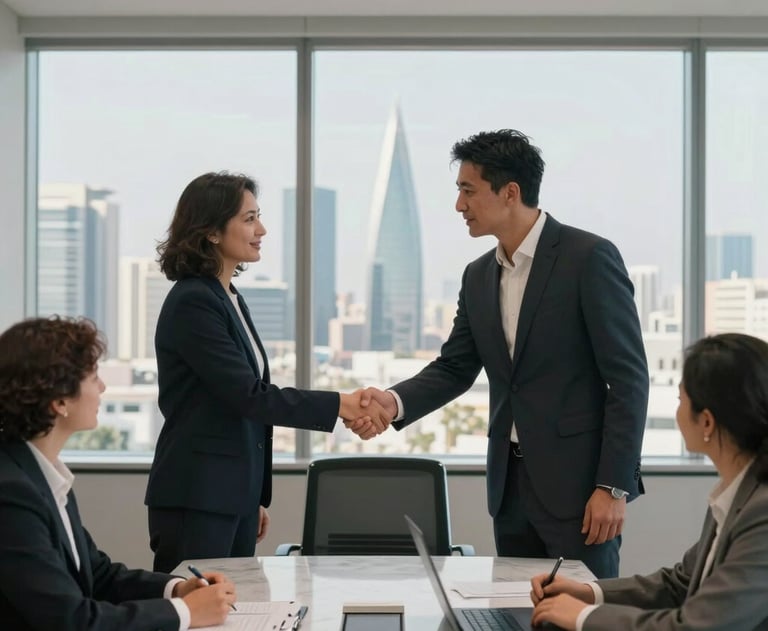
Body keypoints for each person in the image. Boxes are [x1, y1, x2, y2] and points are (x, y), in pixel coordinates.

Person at [354, 129, 648, 578]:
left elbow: (628, 380)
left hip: (580, 492)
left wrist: (613, 486)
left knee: (585, 615)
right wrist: (392, 403)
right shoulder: (477, 276)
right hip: (509, 490)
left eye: (467, 191)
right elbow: (455, 367)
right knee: (514, 613)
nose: (459, 205)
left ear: (510, 192)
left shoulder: (587, 258)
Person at [145, 172, 392, 573]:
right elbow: (250, 395)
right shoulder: (193, 301)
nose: (261, 230)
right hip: (199, 496)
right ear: (210, 230)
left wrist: (251, 496)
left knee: (233, 611)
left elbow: (240, 404)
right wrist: (343, 404)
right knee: (195, 613)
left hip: (230, 496)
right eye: (248, 219)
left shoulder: (228, 297)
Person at [0, 316, 237, 630]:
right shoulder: (12, 493)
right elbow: (72, 621)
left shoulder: (45, 476)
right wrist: (185, 612)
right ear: (59, 400)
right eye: (93, 376)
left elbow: (97, 574)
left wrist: (177, 589)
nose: (102, 387)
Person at [531, 332, 768, 631]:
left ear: (706, 422)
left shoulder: (762, 512)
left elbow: (697, 627)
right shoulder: (736, 496)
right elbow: (680, 583)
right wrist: (589, 592)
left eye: (681, 399)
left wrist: (581, 616)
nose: (676, 410)